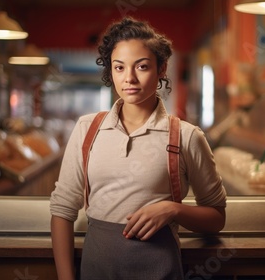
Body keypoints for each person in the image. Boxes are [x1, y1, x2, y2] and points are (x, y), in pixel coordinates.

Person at [50, 16, 227, 280]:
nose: (129, 78)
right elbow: (63, 209)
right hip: (96, 270)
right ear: (110, 70)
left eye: (142, 66)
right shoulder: (87, 129)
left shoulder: (187, 136)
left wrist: (173, 209)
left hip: (160, 270)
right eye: (119, 67)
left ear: (162, 68)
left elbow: (217, 218)